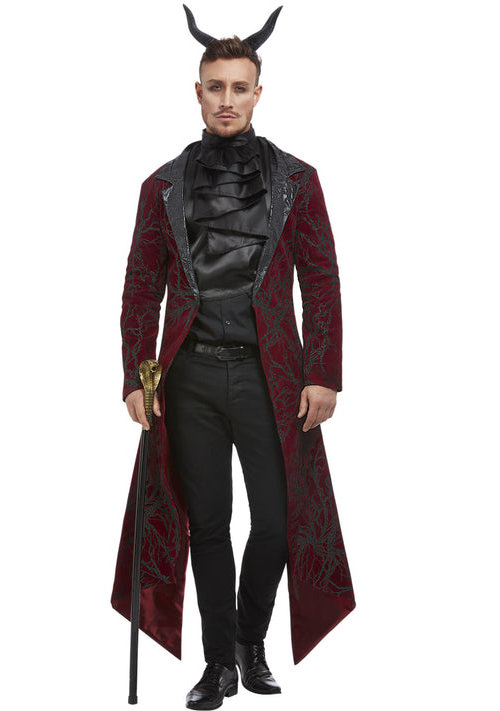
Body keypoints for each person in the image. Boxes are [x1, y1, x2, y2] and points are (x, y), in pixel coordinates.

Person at [111, 6, 356, 709]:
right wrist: (135, 375)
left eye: (238, 87)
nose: (226, 99)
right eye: (215, 87)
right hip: (187, 377)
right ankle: (219, 663)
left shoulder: (298, 181)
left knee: (276, 523)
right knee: (209, 524)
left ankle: (251, 641)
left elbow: (321, 281)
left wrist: (322, 373)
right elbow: (141, 286)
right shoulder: (161, 186)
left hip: (269, 377)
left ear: (257, 93)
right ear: (197, 91)